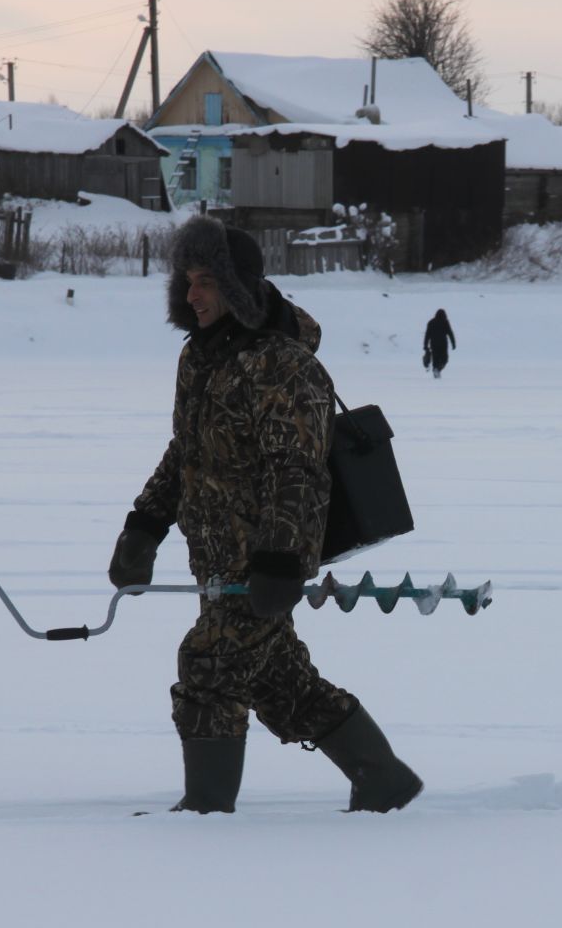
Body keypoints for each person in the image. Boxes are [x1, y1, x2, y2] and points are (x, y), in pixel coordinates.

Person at [107, 217, 422, 814]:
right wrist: (143, 526)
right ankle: (382, 778)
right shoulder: (202, 359)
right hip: (217, 559)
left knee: (209, 665)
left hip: (261, 561)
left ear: (238, 286)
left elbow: (298, 473)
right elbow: (186, 452)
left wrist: (281, 561)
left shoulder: (283, 364)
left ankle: (205, 811)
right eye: (187, 281)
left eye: (207, 281)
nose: (193, 294)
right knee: (281, 685)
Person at [423, 308, 456, 378]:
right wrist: (453, 343)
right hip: (443, 344)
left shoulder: (431, 322)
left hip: (433, 344)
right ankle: (438, 369)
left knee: (436, 359)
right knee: (445, 359)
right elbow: (450, 333)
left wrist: (425, 345)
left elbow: (427, 335)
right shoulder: (445, 322)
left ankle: (436, 370)